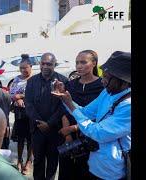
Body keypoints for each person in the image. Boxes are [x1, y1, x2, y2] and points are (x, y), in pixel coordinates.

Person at [52, 51, 131, 180]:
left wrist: (71, 107)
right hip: (96, 165)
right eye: (103, 76)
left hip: (112, 170)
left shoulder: (128, 105)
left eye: (106, 77)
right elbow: (85, 113)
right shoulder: (107, 93)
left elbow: (98, 132)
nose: (103, 81)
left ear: (122, 80)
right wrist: (66, 99)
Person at [57, 50, 104, 180]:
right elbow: (64, 109)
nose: (79, 66)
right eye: (77, 62)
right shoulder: (70, 84)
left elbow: (98, 115)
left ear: (94, 63)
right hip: (69, 139)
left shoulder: (102, 86)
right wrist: (67, 135)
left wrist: (75, 128)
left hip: (91, 138)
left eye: (83, 62)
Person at [25, 52, 68, 180]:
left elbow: (64, 106)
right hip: (37, 130)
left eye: (49, 64)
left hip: (55, 130)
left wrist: (49, 123)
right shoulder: (32, 81)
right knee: (38, 161)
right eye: (42, 63)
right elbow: (28, 104)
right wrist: (39, 122)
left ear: (54, 65)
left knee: (53, 162)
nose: (45, 66)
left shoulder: (63, 81)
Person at [9, 54, 33, 174]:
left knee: (30, 139)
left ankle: (29, 161)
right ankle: (19, 160)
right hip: (19, 113)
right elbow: (11, 93)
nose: (23, 70)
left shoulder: (35, 79)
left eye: (25, 68)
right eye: (21, 68)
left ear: (31, 66)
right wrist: (15, 98)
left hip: (32, 113)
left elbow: (36, 94)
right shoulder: (16, 79)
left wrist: (22, 96)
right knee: (20, 139)